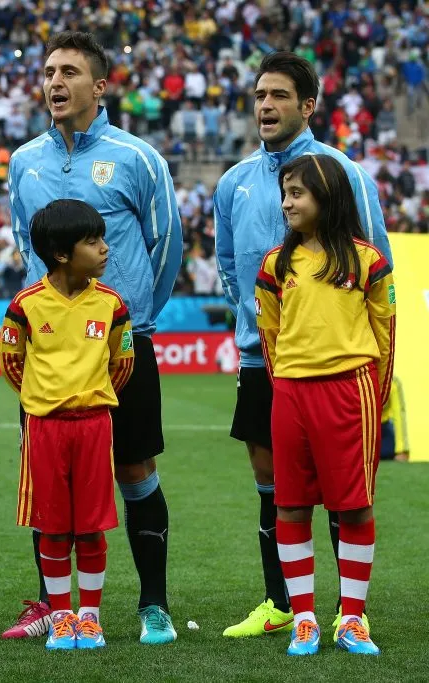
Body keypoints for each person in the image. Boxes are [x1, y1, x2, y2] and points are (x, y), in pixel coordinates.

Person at [7, 31, 182, 644]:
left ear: (100, 86)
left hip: (117, 346)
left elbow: (168, 245)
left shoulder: (137, 157)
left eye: (70, 72)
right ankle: (56, 611)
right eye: (50, 71)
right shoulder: (23, 160)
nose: (55, 82)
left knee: (135, 469)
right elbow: (23, 245)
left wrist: (134, 321)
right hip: (50, 355)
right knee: (48, 481)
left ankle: (152, 604)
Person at [213, 51, 393, 639]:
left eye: (280, 96)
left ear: (308, 105)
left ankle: (349, 612)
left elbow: (375, 266)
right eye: (260, 95)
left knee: (344, 492)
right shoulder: (235, 181)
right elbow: (228, 266)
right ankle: (282, 604)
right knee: (274, 488)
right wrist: (256, 326)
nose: (266, 105)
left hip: (338, 368)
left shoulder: (343, 172)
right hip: (261, 356)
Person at [255, 154, 395, 656]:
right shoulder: (275, 264)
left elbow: (385, 334)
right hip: (291, 392)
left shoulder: (367, 259)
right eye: (285, 193)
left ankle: (352, 619)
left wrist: (374, 399)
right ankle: (306, 619)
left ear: (327, 197)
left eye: (298, 193)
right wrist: (287, 385)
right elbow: (270, 336)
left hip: (350, 390)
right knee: (290, 504)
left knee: (354, 507)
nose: (288, 203)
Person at [0, 199, 134, 651]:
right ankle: (61, 618)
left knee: (92, 527)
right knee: (54, 528)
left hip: (94, 426)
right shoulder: (26, 305)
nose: (104, 249)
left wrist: (87, 396)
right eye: (92, 241)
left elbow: (123, 363)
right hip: (46, 429)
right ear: (61, 253)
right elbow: (12, 363)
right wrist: (49, 400)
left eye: (102, 239)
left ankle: (89, 618)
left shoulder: (113, 304)